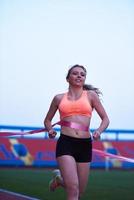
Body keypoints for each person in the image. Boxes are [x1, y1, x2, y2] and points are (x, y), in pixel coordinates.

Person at [44, 64, 110, 200]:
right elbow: (47, 120)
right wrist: (50, 130)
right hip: (66, 143)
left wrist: (99, 131)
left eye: (82, 74)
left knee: (79, 192)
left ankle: (59, 180)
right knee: (73, 189)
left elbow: (105, 119)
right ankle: (62, 180)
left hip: (85, 144)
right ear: (68, 78)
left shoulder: (91, 96)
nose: (79, 75)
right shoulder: (58, 98)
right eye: (75, 73)